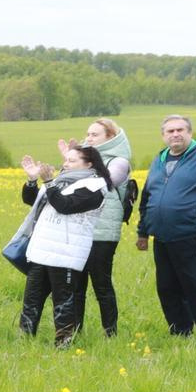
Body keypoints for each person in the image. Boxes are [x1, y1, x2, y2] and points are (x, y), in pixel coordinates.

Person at [134, 114, 196, 341]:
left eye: (180, 130)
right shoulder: (159, 159)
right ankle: (180, 332)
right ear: (163, 136)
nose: (175, 134)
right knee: (167, 287)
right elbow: (148, 196)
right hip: (164, 237)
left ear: (189, 132)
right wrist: (142, 231)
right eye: (170, 131)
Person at [16, 141, 112, 346]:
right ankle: (24, 340)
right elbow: (32, 200)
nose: (66, 164)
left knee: (63, 301)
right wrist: (32, 180)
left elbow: (65, 206)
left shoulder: (95, 187)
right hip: (42, 249)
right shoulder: (62, 180)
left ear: (89, 164)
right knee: (32, 299)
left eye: (72, 160)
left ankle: (63, 342)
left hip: (66, 252)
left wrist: (49, 181)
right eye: (65, 159)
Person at [77, 119, 135, 336]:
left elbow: (108, 181)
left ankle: (110, 332)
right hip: (79, 229)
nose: (89, 138)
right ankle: (74, 330)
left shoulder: (119, 160)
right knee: (75, 284)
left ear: (110, 138)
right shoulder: (85, 158)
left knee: (101, 283)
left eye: (95, 135)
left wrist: (82, 161)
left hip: (103, 232)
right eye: (88, 134)